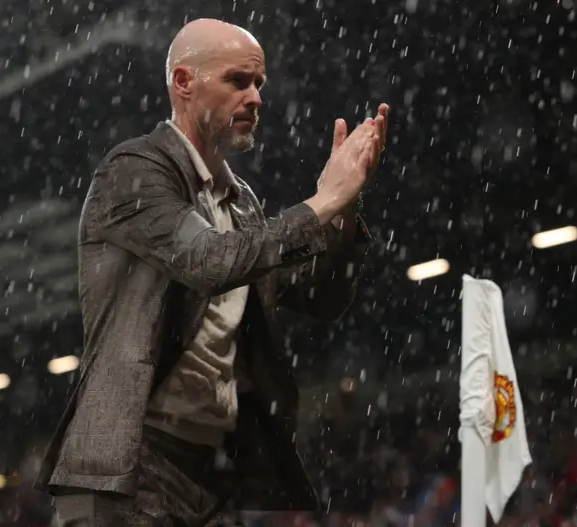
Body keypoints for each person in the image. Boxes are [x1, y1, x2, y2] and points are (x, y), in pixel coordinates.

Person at [34, 18, 389, 527]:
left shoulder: (242, 204)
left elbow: (322, 300)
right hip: (127, 471)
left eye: (259, 84)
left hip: (213, 474)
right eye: (238, 81)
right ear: (183, 83)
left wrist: (345, 208)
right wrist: (322, 200)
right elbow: (210, 262)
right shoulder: (132, 170)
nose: (256, 98)